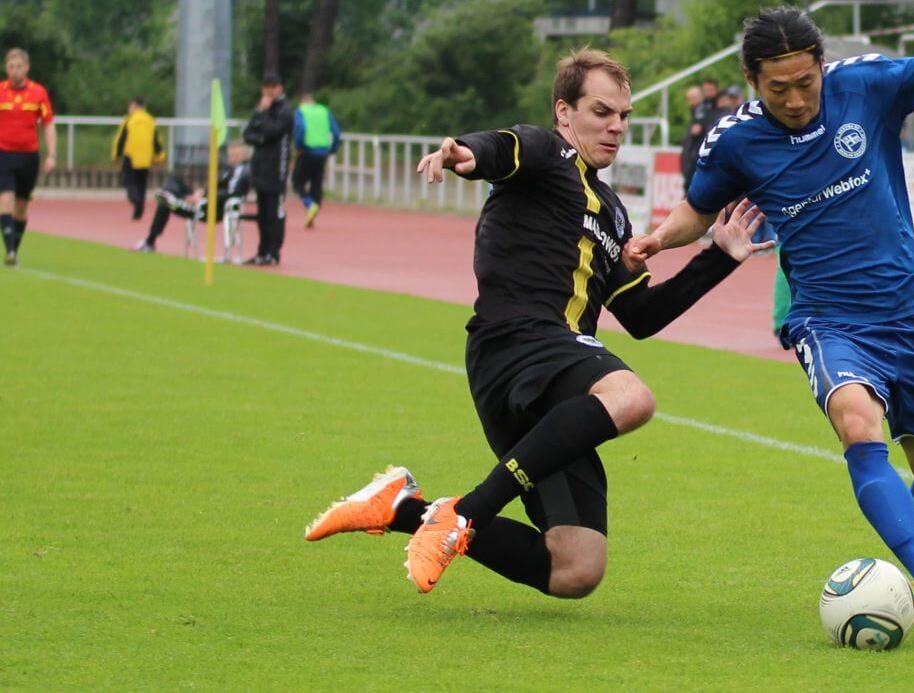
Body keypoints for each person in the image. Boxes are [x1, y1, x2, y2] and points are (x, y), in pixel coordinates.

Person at [303, 48, 773, 601]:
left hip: (553, 378)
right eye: (601, 111)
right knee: (632, 397)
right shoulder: (548, 152)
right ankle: (468, 513)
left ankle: (404, 508)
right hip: (521, 343)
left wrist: (718, 257)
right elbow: (500, 150)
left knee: (576, 570)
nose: (616, 126)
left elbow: (642, 318)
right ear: (564, 112)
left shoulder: (613, 212)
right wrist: (462, 154)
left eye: (623, 115)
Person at [625, 7, 914, 627]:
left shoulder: (865, 84)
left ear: (822, 64)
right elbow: (699, 209)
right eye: (777, 88)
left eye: (805, 82)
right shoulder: (734, 140)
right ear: (751, 79)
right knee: (856, 423)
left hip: (908, 311)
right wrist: (659, 238)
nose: (794, 99)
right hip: (825, 317)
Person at [132, 143, 251, 252]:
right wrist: (201, 193)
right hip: (205, 199)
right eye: (231, 155)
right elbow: (215, 187)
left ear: (245, 156)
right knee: (174, 181)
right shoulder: (228, 169)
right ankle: (176, 197)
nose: (232, 158)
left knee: (165, 201)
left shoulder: (241, 171)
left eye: (237, 155)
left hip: (211, 209)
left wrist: (204, 197)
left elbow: (231, 193)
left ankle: (150, 241)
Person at [0, 47, 56, 267]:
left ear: (27, 68)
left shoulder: (38, 93)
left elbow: (48, 125)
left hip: (29, 157)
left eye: (19, 67)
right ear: (6, 68)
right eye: (11, 67)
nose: (14, 71)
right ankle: (10, 250)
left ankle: (15, 246)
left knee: (21, 207)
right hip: (3, 153)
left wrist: (51, 154)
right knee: (5, 198)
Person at [242, 72, 293, 265]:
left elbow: (273, 132)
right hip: (260, 167)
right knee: (262, 213)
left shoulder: (285, 110)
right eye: (266, 87)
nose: (269, 91)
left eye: (273, 87)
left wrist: (263, 116)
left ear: (280, 88)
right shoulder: (261, 109)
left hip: (276, 169)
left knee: (275, 213)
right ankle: (262, 251)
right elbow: (248, 134)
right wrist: (261, 135)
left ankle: (273, 252)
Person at [292, 92, 341, 229]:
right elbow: (336, 132)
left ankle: (309, 204)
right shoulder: (324, 111)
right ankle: (314, 208)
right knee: (316, 183)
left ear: (302, 102)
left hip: (306, 151)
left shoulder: (301, 111)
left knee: (297, 181)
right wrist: (333, 149)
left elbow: (300, 129)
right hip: (322, 153)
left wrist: (298, 146)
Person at [112, 97, 164, 220]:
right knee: (142, 183)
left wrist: (116, 155)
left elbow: (120, 139)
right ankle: (139, 210)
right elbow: (157, 141)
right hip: (146, 158)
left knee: (129, 181)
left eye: (130, 106)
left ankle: (135, 199)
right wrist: (159, 157)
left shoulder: (129, 120)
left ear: (134, 106)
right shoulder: (150, 120)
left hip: (130, 156)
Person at [680, 85, 705, 193]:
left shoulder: (703, 114)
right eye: (689, 99)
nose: (691, 102)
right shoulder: (695, 115)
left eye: (694, 98)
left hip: (696, 169)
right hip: (690, 169)